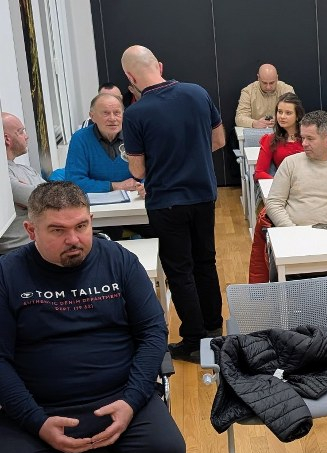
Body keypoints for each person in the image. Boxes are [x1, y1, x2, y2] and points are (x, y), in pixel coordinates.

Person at [0, 182, 186, 453]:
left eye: (82, 226)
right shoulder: (7, 275)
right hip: (37, 406)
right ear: (31, 231)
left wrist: (132, 400)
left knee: (166, 452)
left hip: (119, 397)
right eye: (58, 230)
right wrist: (35, 421)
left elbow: (153, 333)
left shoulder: (119, 261)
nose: (74, 239)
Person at [121, 45, 225, 362]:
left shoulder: (135, 113)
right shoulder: (197, 93)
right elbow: (219, 140)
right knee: (206, 262)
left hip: (166, 201)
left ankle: (193, 341)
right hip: (203, 195)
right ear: (160, 66)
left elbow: (138, 170)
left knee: (180, 272)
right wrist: (191, 155)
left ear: (130, 77)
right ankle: (214, 329)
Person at [262, 110, 327, 292]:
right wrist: (292, 230)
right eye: (302, 137)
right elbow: (274, 203)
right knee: (286, 275)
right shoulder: (290, 163)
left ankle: (320, 302)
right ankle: (318, 302)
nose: (303, 143)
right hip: (294, 240)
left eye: (310, 139)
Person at [66, 93, 144, 194]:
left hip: (135, 196)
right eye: (106, 113)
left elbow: (153, 170)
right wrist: (115, 186)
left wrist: (145, 186)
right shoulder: (80, 139)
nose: (112, 118)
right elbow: (74, 182)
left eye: (117, 113)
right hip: (95, 200)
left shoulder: (136, 134)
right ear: (92, 116)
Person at [1, 112, 45, 255]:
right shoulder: (3, 175)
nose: (26, 136)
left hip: (39, 246)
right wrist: (36, 192)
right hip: (19, 252)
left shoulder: (26, 169)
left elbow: (57, 194)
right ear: (7, 139)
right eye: (20, 132)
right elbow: (46, 199)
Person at [254, 93, 305, 181]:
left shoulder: (308, 138)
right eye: (280, 112)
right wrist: (279, 183)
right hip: (284, 184)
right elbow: (259, 173)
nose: (282, 117)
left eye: (288, 113)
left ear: (297, 116)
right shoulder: (270, 140)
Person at [235, 64, 294, 129]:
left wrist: (279, 119)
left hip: (281, 130)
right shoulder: (248, 92)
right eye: (264, 83)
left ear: (277, 78)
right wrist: (254, 123)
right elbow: (239, 118)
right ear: (258, 78)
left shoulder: (287, 90)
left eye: (272, 83)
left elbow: (296, 114)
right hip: (256, 131)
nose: (268, 87)